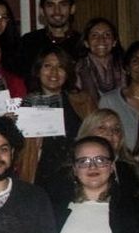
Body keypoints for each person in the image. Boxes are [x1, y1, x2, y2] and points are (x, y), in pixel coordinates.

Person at [17, 46, 96, 187]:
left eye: (60, 67)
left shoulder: (83, 102)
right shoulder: (25, 105)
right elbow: (18, 154)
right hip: (42, 178)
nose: (54, 72)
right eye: (47, 66)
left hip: (80, 175)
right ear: (38, 71)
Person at [15, 0, 81, 75]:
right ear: (42, 11)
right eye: (50, 5)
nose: (57, 11)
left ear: (72, 8)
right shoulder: (28, 43)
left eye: (63, 5)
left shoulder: (82, 43)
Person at [73, 18, 125, 103]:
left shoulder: (125, 67)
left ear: (114, 41)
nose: (101, 40)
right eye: (95, 35)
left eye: (107, 35)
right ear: (86, 42)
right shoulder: (78, 69)